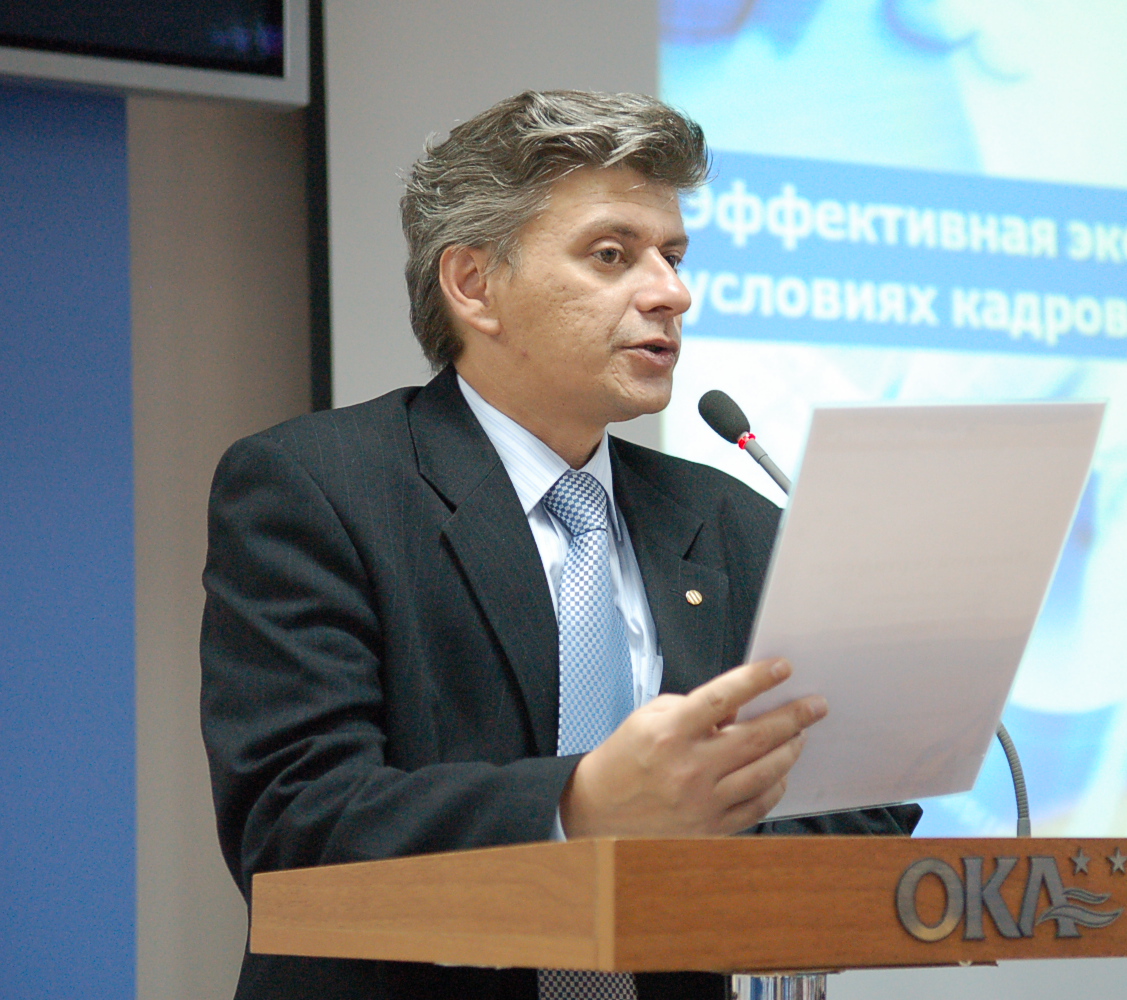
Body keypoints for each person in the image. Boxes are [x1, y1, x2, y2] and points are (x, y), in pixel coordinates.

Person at [200, 90, 920, 1000]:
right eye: (612, 254)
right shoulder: (316, 488)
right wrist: (578, 810)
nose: (672, 292)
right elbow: (294, 831)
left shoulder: (733, 520)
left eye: (673, 256)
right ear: (474, 285)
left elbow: (855, 809)